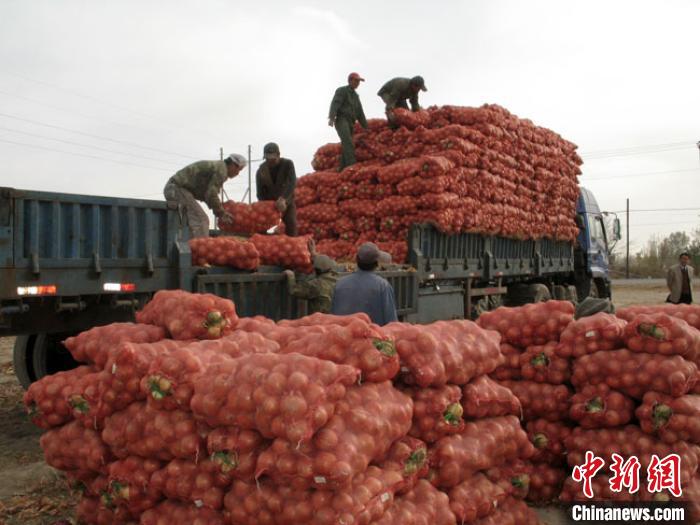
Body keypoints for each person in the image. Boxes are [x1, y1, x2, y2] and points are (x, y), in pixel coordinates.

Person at [164, 153, 247, 238]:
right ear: (233, 165)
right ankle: (201, 248)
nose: (237, 173)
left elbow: (207, 195)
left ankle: (191, 244)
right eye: (239, 170)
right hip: (177, 189)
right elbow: (211, 194)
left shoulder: (218, 167)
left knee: (190, 220)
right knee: (201, 220)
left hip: (174, 188)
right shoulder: (222, 170)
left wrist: (219, 209)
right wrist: (221, 213)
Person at [331, 242, 398, 326]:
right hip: (372, 337)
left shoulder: (339, 284)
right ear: (377, 263)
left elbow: (333, 317)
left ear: (356, 259)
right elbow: (391, 322)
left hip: (343, 336)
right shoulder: (383, 286)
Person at [283, 241, 339, 314]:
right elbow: (322, 263)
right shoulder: (337, 279)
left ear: (317, 271)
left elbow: (294, 290)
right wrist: (313, 253)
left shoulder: (317, 284)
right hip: (335, 317)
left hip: (320, 319)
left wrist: (290, 276)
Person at [328, 72, 368, 170]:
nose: (357, 83)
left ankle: (342, 168)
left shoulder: (356, 96)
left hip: (351, 122)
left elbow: (360, 113)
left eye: (359, 82)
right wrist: (332, 118)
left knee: (346, 144)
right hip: (342, 120)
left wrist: (366, 127)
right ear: (350, 81)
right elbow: (335, 103)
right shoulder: (342, 91)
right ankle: (352, 167)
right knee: (348, 142)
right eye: (356, 81)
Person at [256, 142, 297, 236]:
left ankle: (292, 244)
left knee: (291, 224)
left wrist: (284, 199)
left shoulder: (288, 164)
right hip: (269, 203)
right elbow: (260, 193)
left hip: (286, 200)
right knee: (261, 226)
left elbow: (292, 182)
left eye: (273, 160)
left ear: (278, 155)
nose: (270, 162)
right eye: (267, 159)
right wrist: (266, 206)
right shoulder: (261, 171)